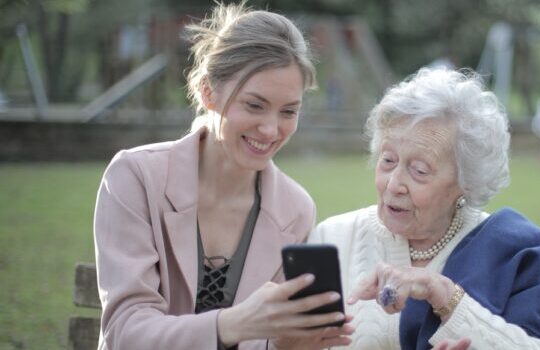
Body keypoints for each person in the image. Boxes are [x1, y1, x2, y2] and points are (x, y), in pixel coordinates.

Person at [93, 4, 353, 349]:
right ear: (207, 92)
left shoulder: (295, 209)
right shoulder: (136, 177)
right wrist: (233, 323)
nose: (271, 129)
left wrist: (286, 344)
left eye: (289, 111)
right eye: (254, 105)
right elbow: (125, 334)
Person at [309, 67, 540, 349]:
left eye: (419, 170)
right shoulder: (333, 238)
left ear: (466, 182)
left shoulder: (516, 252)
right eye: (388, 160)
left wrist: (447, 297)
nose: (393, 184)